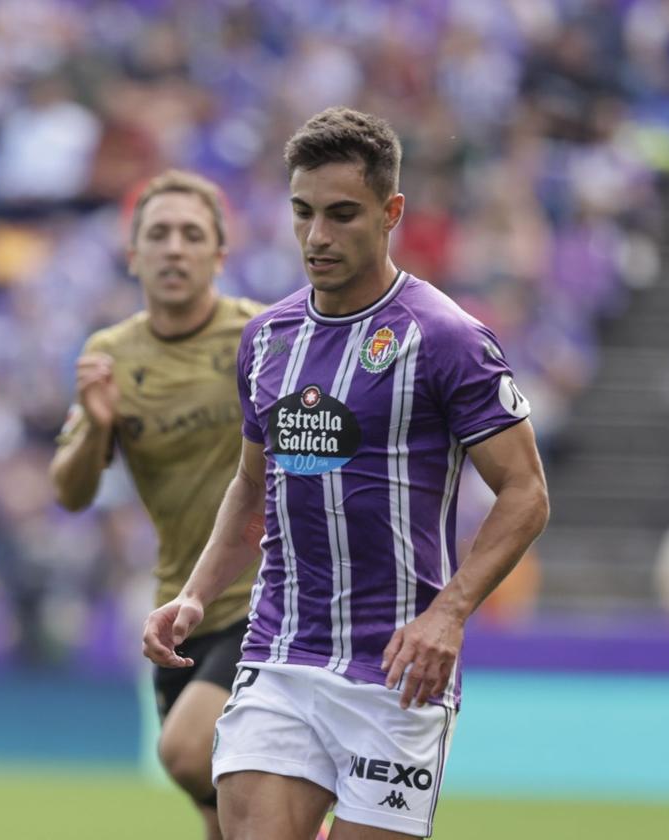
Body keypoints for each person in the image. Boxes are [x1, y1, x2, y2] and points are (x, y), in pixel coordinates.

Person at [143, 108, 551, 839]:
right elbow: (250, 486)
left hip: (398, 674)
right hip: (281, 655)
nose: (317, 236)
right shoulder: (268, 341)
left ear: (391, 212)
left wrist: (449, 615)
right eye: (302, 213)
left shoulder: (447, 340)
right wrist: (197, 596)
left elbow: (525, 493)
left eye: (341, 214)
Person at [50, 169, 262, 840]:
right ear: (133, 253)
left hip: (268, 600)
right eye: (159, 234)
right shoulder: (111, 353)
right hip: (179, 611)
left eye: (192, 235)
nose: (175, 249)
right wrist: (98, 425)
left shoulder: (264, 337)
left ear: (219, 256)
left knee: (183, 750)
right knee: (217, 822)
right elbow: (71, 491)